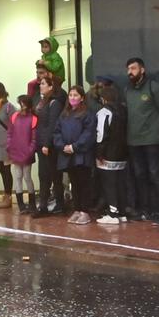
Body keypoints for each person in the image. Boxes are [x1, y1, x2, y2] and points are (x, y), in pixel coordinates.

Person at [120, 57, 159, 223]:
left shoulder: (153, 87)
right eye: (128, 69)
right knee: (139, 175)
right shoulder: (127, 90)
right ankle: (144, 210)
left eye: (134, 68)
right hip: (133, 141)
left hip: (153, 140)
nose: (130, 72)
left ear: (142, 69)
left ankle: (158, 211)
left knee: (155, 175)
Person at [55, 85, 97, 225]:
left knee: (84, 182)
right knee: (74, 183)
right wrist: (63, 146)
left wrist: (75, 146)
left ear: (82, 98)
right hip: (67, 155)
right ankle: (77, 209)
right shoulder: (64, 113)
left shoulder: (87, 114)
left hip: (81, 155)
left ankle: (85, 211)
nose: (73, 98)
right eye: (71, 95)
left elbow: (89, 134)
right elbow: (57, 132)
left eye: (76, 95)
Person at [93, 83, 131, 225]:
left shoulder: (104, 112)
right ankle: (121, 212)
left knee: (109, 183)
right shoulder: (123, 110)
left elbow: (101, 134)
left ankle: (112, 213)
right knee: (120, 182)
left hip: (108, 153)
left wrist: (99, 152)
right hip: (122, 152)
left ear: (103, 99)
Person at [34, 72, 69, 217]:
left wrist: (47, 144)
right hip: (41, 144)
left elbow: (52, 125)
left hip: (49, 146)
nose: (40, 86)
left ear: (50, 87)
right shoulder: (42, 102)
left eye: (43, 84)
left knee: (54, 175)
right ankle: (43, 205)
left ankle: (59, 204)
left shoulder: (54, 103)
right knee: (43, 175)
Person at [7, 94, 40, 214]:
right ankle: (21, 205)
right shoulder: (14, 116)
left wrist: (30, 150)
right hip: (15, 151)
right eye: (20, 102)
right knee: (18, 177)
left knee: (27, 176)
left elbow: (34, 138)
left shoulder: (34, 118)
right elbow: (10, 133)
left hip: (27, 152)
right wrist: (9, 146)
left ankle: (31, 204)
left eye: (23, 103)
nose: (21, 105)